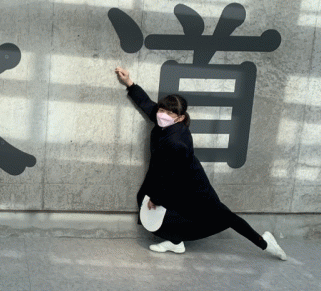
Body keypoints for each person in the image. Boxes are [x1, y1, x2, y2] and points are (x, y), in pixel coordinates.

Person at [114, 66, 287, 260]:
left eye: (168, 113)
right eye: (162, 110)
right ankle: (175, 242)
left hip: (194, 187)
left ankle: (265, 243)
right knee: (151, 205)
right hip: (176, 183)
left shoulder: (176, 142)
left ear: (180, 117)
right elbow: (147, 105)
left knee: (226, 218)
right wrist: (129, 83)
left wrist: (157, 198)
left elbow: (171, 177)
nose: (162, 115)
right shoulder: (167, 121)